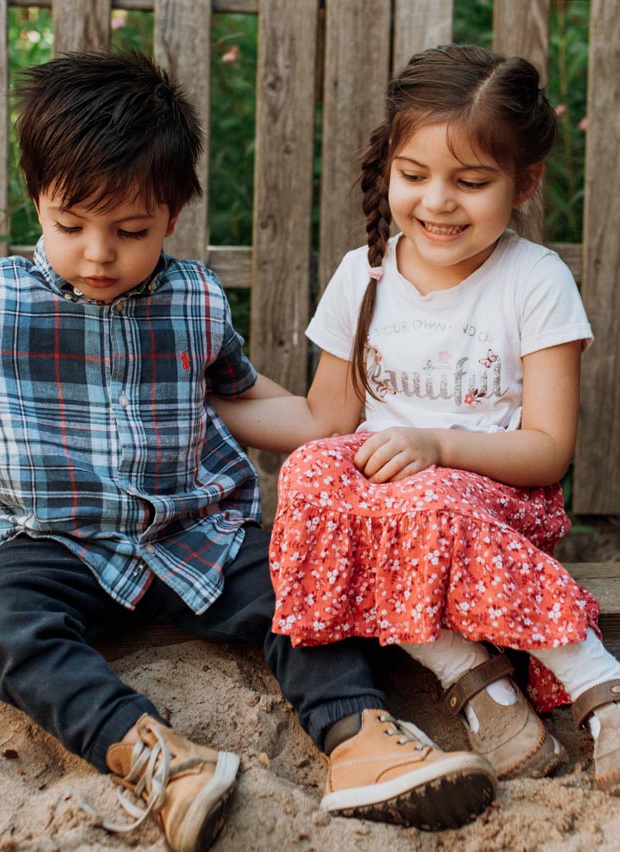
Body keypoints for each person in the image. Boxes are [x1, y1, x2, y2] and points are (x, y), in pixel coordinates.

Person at [0, 50, 498, 849]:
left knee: (306, 581)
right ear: (37, 199)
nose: (99, 253)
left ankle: (361, 740)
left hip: (198, 534)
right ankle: (155, 755)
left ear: (172, 213)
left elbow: (241, 396)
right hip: (54, 544)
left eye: (130, 231)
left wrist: (336, 425)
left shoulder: (192, 298)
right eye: (71, 226)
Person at [212, 43, 620, 797]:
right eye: (414, 175)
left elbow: (547, 451)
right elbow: (324, 418)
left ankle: (598, 684)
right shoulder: (362, 274)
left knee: (419, 501)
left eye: (471, 182)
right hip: (389, 508)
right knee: (309, 478)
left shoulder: (535, 280)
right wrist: (208, 402)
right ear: (388, 169)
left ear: (524, 182)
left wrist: (436, 445)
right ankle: (475, 679)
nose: (438, 202)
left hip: (495, 503)